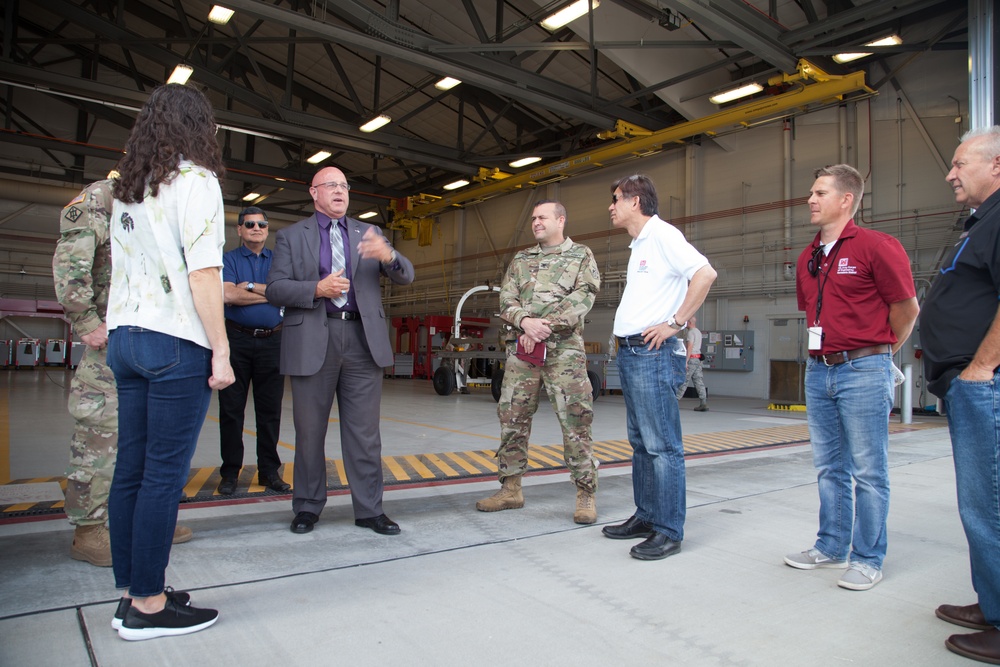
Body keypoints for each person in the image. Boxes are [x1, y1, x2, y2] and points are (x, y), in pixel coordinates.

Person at [106, 83, 234, 640]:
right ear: (198, 126)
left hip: (125, 337)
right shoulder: (197, 182)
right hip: (173, 341)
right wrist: (221, 349)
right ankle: (150, 607)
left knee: (130, 471)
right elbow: (204, 272)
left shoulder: (129, 188)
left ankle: (133, 591)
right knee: (163, 476)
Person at [784, 164, 918, 591]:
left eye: (820, 192)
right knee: (828, 466)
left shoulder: (877, 246)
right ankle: (831, 546)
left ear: (846, 200)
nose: (811, 199)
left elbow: (906, 309)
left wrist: (878, 353)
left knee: (868, 470)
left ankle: (867, 558)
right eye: (811, 191)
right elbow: (813, 311)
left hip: (863, 368)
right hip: (818, 370)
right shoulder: (808, 257)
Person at [266, 165, 414, 536]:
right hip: (313, 337)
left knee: (365, 433)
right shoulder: (290, 237)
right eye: (330, 185)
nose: (339, 191)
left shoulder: (370, 233)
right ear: (313, 193)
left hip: (363, 341)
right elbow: (275, 289)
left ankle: (369, 509)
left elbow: (405, 275)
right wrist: (316, 289)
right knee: (310, 431)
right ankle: (307, 507)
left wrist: (388, 255)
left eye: (344, 185)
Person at [53, 180, 193, 567]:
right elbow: (72, 258)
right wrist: (85, 320)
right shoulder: (103, 197)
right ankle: (89, 530)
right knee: (100, 434)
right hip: (111, 337)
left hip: (150, 333)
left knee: (144, 435)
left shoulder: (159, 202)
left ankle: (138, 521)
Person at [602, 174, 717, 561]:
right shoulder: (640, 245)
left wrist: (677, 321)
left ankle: (668, 530)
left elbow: (705, 274)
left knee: (662, 446)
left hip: (653, 355)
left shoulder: (663, 235)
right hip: (633, 354)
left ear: (635, 201)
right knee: (641, 443)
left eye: (616, 199)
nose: (611, 206)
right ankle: (647, 516)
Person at [920, 126, 1000, 663]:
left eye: (959, 163)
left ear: (996, 165)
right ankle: (991, 600)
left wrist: (981, 367)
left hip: (983, 384)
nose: (950, 173)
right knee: (980, 502)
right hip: (969, 384)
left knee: (988, 503)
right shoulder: (981, 222)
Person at [476, 200, 601, 524]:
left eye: (542, 217)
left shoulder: (581, 255)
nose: (535, 222)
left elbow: (584, 295)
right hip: (524, 350)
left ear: (561, 219)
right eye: (533, 218)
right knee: (512, 417)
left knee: (575, 420)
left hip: (564, 352)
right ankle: (511, 488)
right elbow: (507, 298)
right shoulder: (522, 259)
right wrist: (524, 322)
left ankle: (585, 492)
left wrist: (541, 325)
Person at [217, 206, 289, 495]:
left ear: (267, 228)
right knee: (231, 410)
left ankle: (269, 471)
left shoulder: (278, 260)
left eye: (261, 223)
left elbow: (285, 293)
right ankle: (230, 472)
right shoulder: (229, 259)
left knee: (270, 411)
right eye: (250, 224)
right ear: (239, 230)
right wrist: (268, 293)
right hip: (237, 341)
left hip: (273, 341)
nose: (256, 228)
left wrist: (247, 287)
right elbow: (227, 294)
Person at [675, 315, 709, 411]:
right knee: (698, 381)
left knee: (684, 380)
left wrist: (685, 361)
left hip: (692, 359)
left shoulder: (690, 333)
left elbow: (689, 347)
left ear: (689, 322)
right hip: (698, 360)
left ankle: (675, 401)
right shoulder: (698, 332)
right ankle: (703, 402)